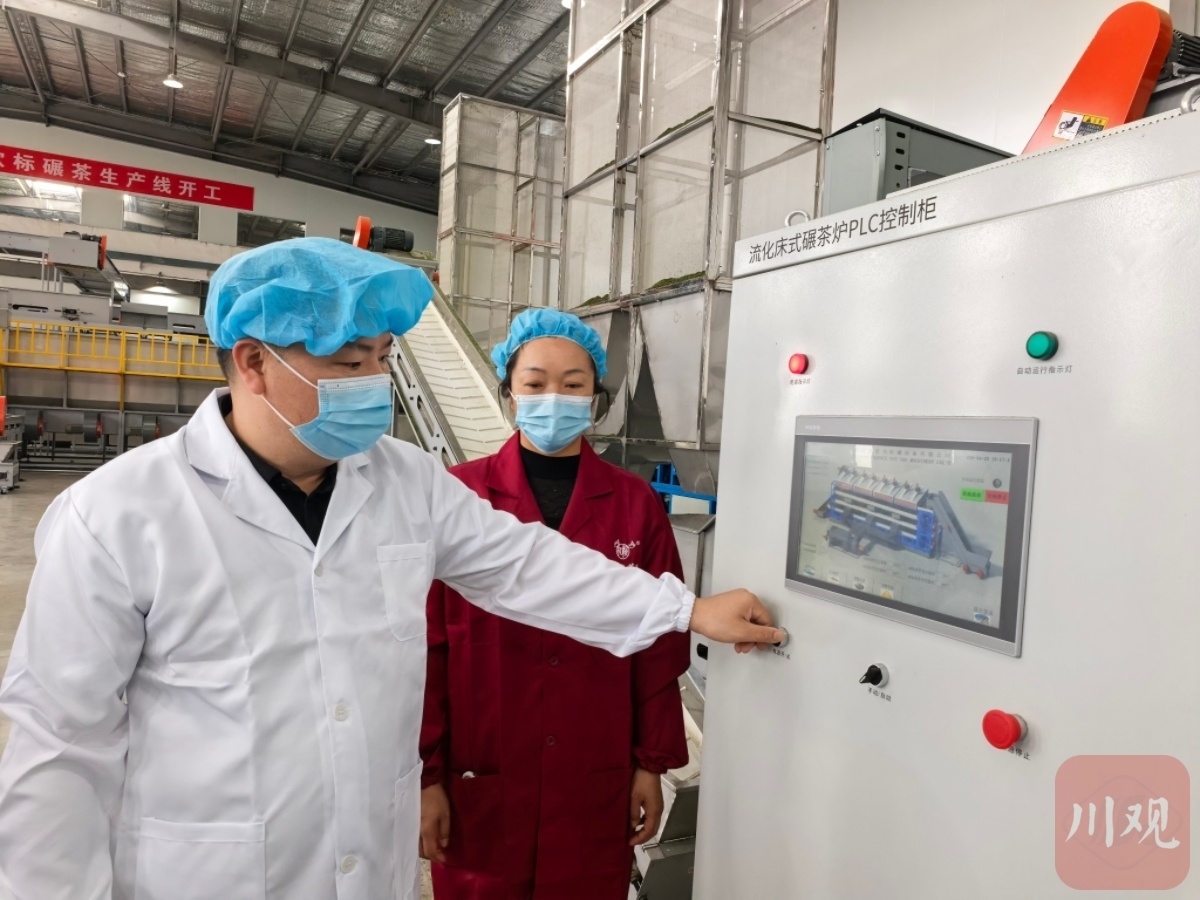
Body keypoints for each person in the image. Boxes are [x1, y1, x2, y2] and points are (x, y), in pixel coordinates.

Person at [0, 238, 782, 900]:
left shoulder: (405, 481)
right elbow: (60, 751)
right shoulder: (119, 515)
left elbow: (527, 565)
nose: (374, 383)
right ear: (253, 362)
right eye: (349, 362)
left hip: (370, 868)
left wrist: (684, 610)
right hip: (209, 873)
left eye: (381, 358)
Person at [419, 310, 690, 898]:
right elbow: (424, 646)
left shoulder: (635, 503)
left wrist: (650, 764)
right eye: (536, 383)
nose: (554, 398)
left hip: (592, 776)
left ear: (596, 397)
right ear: (509, 391)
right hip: (481, 777)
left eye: (573, 384)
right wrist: (425, 776)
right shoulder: (458, 495)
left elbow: (661, 648)